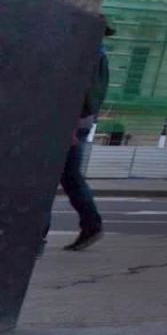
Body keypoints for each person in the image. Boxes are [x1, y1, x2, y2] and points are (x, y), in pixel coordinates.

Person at [44, 24, 111, 252]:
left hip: (70, 123)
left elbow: (82, 93)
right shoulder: (100, 56)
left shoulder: (90, 56)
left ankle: (38, 234)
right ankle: (91, 224)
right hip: (78, 122)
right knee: (69, 178)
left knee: (48, 178)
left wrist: (70, 126)